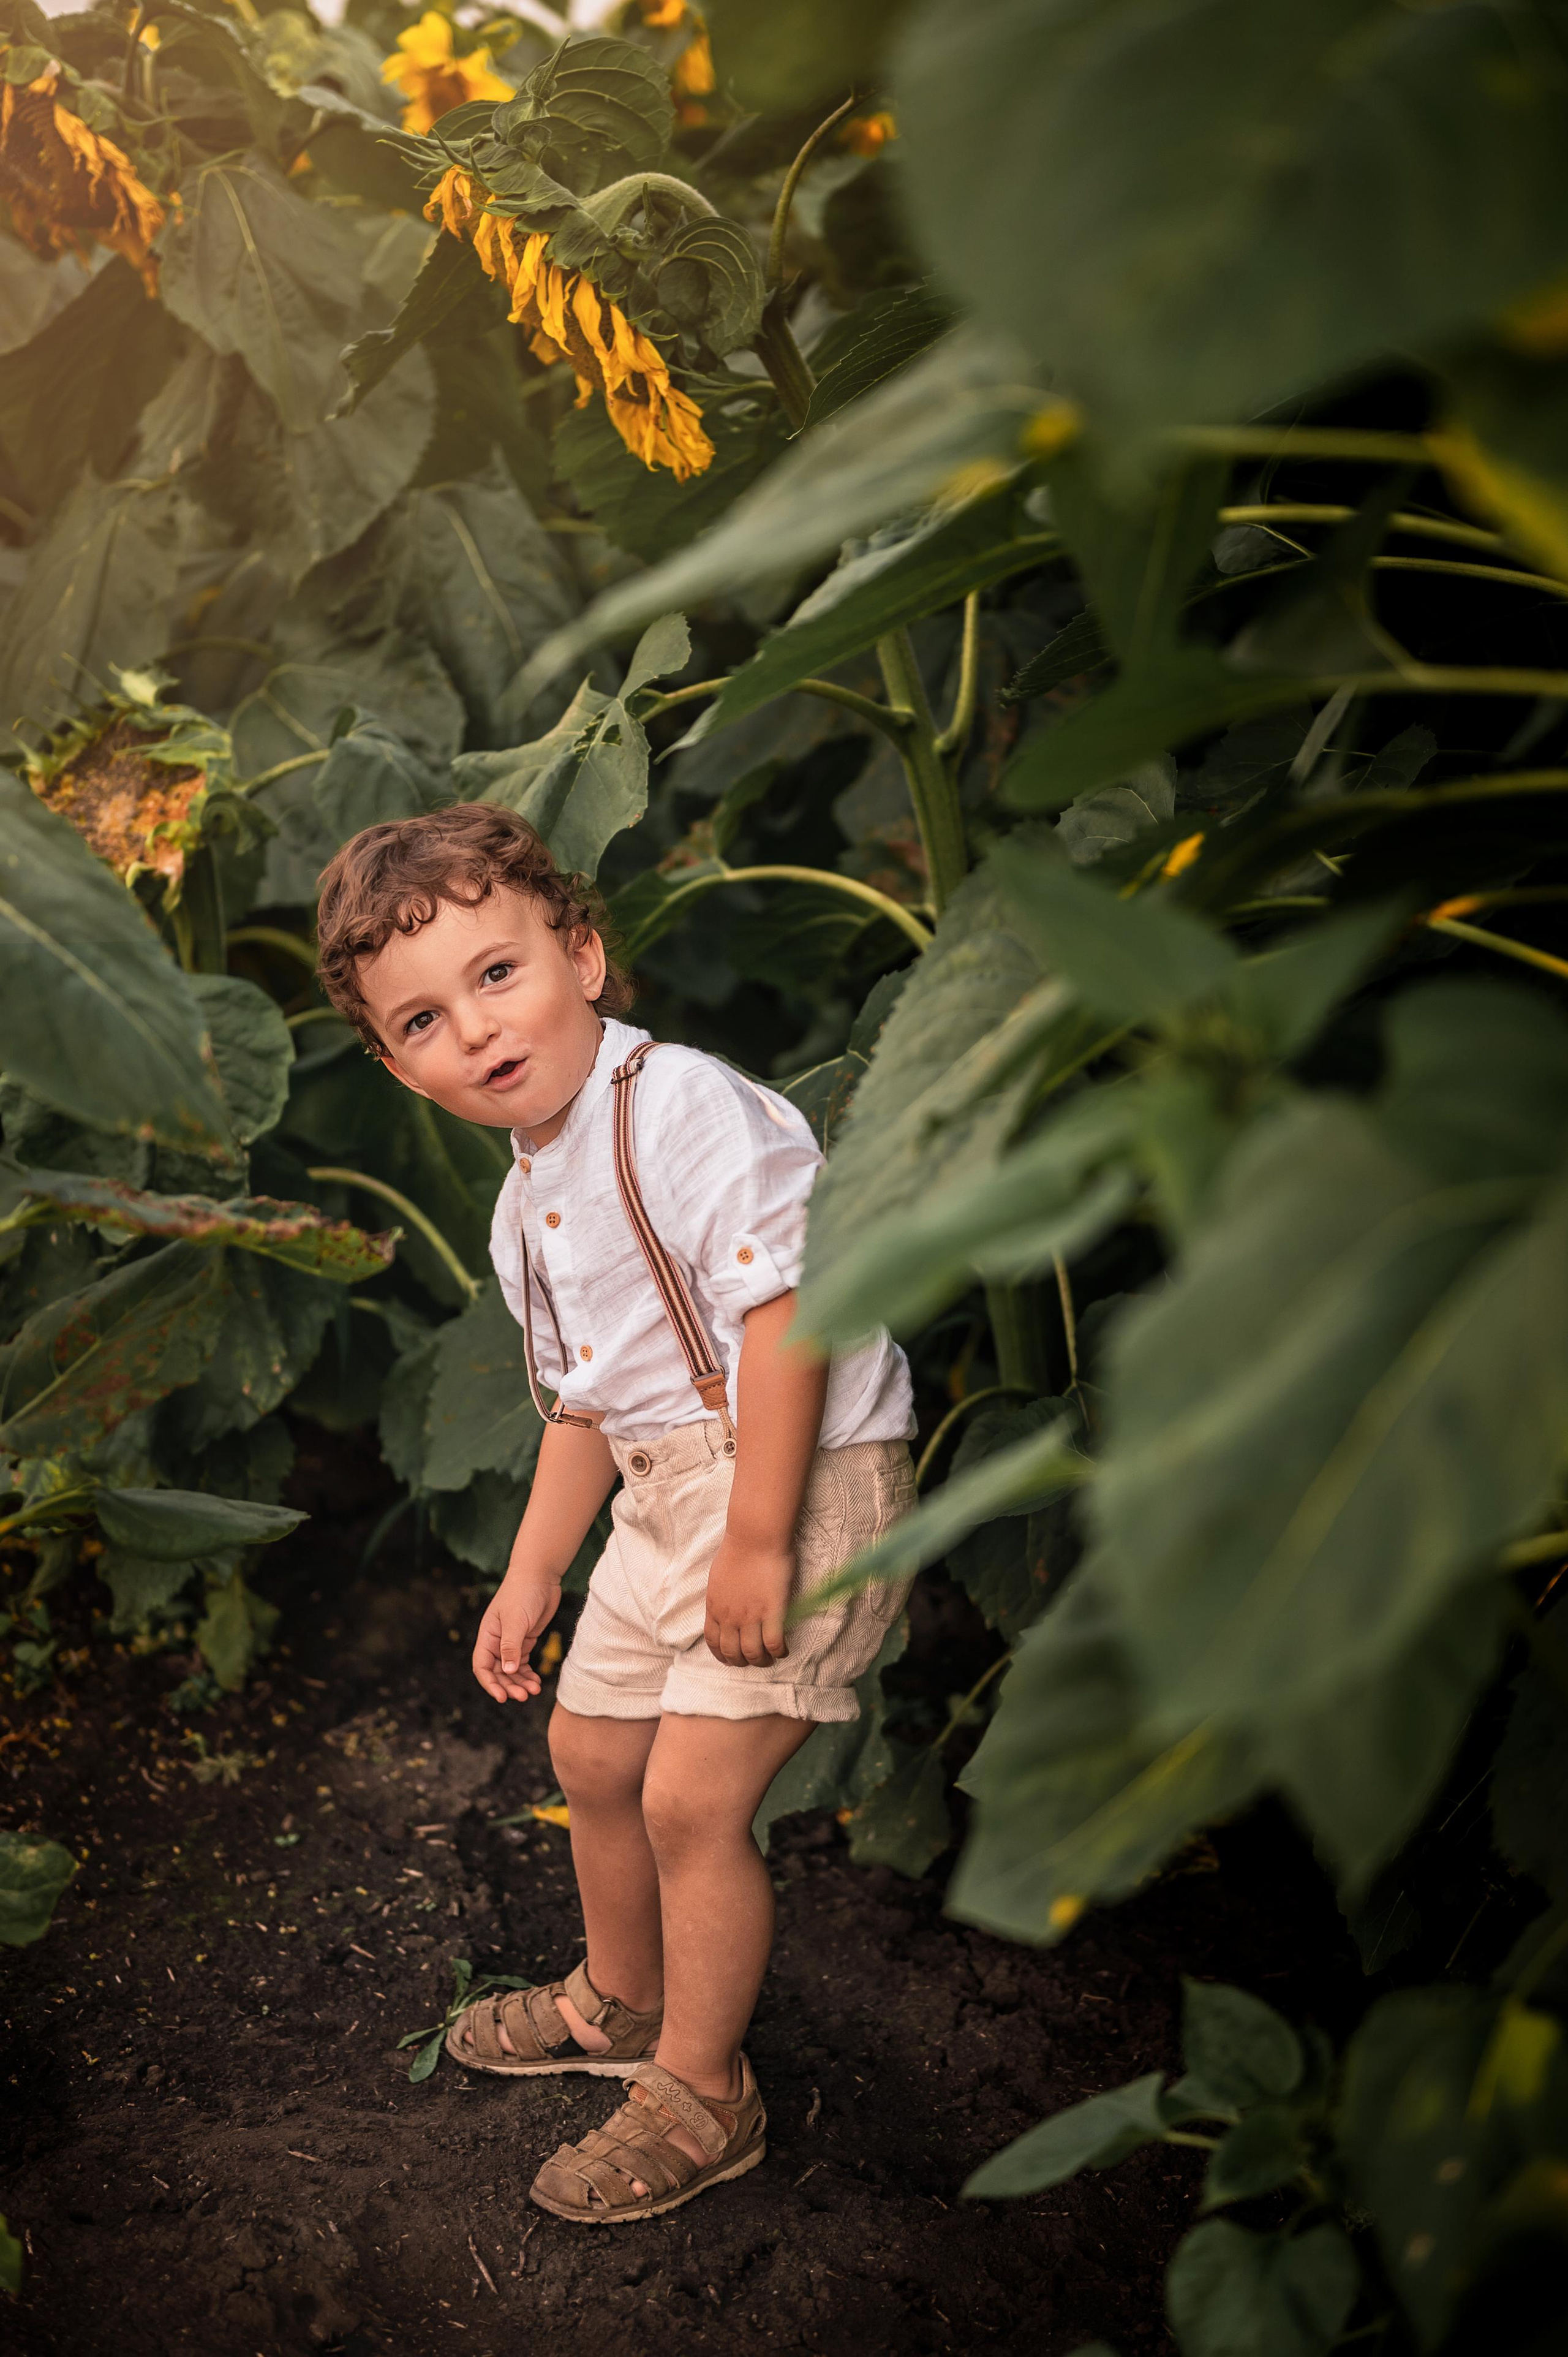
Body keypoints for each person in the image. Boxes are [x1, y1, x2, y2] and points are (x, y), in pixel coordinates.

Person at [315, 804, 914, 2223]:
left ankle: (705, 2088)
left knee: (692, 1799)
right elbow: (583, 1407)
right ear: (399, 1067)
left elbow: (787, 1313)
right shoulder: (527, 1208)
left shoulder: (682, 1107)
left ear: (582, 953)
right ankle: (623, 1998)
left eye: (496, 973)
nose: (471, 1027)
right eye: (420, 1019)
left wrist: (762, 1535)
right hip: (659, 1487)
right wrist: (531, 1574)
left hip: (797, 1470)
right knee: (587, 1750)